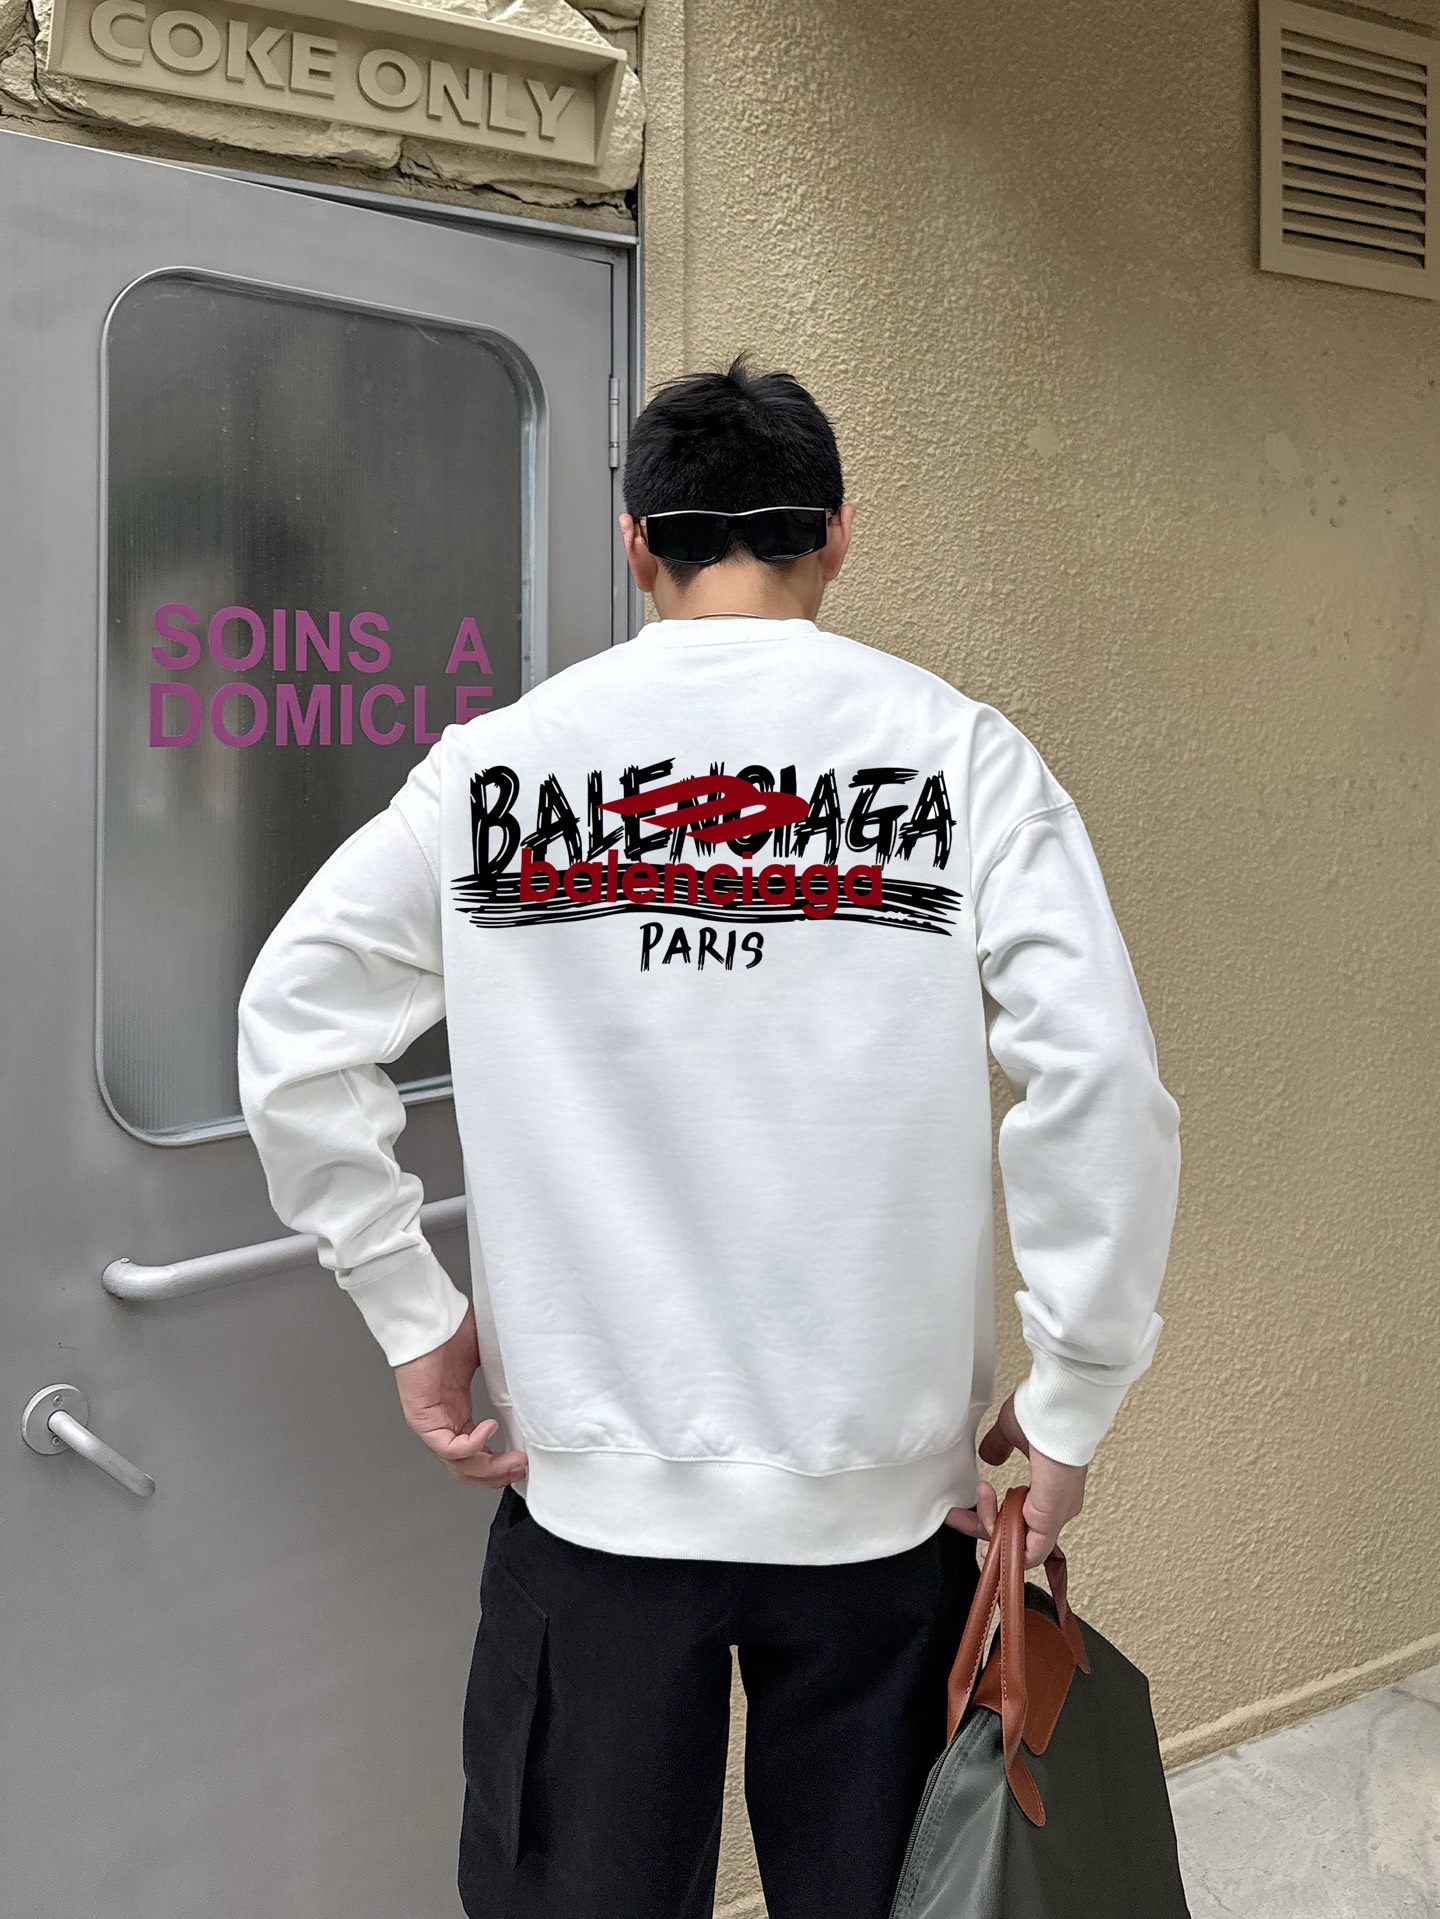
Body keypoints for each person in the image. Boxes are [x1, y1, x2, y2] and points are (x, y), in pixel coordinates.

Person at [237, 356, 1181, 1919]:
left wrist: (412, 1311)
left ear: (637, 544)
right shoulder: (958, 755)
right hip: (887, 1514)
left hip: (592, 1505)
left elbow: (292, 1025)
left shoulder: (497, 771)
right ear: (838, 535)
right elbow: (1100, 1081)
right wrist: (1073, 1401)